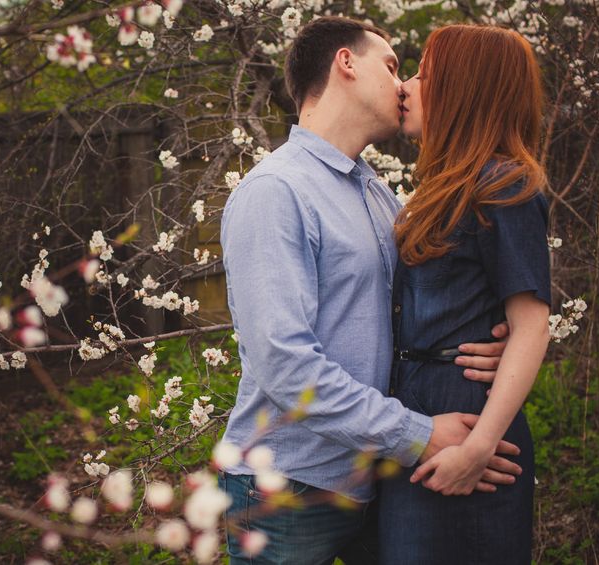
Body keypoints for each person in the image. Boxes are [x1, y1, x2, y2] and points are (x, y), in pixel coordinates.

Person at [217, 17, 522, 565]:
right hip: (288, 487)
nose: (403, 85)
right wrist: (419, 434)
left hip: (377, 481)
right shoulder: (275, 192)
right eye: (391, 65)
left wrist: (488, 342)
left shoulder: (381, 198)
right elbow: (285, 365)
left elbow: (422, 308)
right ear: (346, 64)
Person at [378, 25, 551, 564]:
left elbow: (531, 325)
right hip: (418, 420)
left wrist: (478, 449)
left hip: (470, 428)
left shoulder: (503, 185)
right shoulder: (436, 189)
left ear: (461, 89)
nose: (405, 85)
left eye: (423, 74)